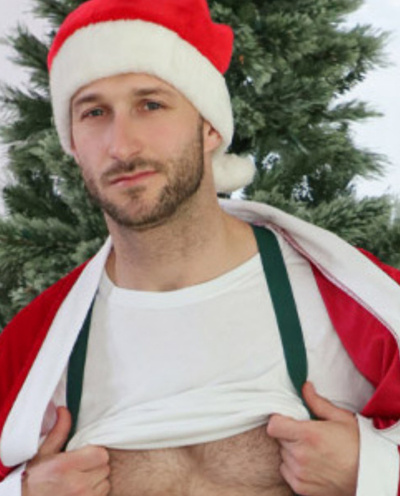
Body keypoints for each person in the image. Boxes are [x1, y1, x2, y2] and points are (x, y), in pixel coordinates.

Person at [0, 0, 400, 495]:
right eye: (94, 112)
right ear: (73, 145)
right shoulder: (32, 351)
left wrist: (376, 474)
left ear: (210, 126)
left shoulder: (359, 306)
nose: (121, 145)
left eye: (151, 104)